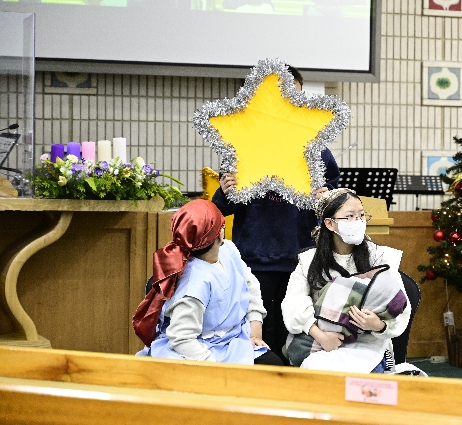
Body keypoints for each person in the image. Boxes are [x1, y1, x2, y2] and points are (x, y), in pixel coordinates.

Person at [213, 65, 340, 363]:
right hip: (254, 255)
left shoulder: (315, 149)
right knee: (254, 326)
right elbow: (222, 207)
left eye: (293, 97)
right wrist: (225, 191)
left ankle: (289, 379)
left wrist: (325, 196)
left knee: (293, 326)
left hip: (299, 254)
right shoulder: (243, 145)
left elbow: (332, 198)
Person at [133, 199, 282, 366]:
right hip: (199, 350)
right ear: (220, 233)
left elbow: (250, 286)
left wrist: (255, 329)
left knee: (273, 364)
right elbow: (182, 338)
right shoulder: (194, 284)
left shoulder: (229, 250)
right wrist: (216, 370)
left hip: (234, 339)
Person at [281, 188, 411, 373]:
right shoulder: (309, 260)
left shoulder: (379, 257)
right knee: (319, 376)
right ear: (329, 223)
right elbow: (294, 303)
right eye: (350, 216)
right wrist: (322, 336)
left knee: (362, 380)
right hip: (322, 342)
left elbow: (400, 304)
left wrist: (377, 324)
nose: (358, 221)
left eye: (361, 215)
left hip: (369, 344)